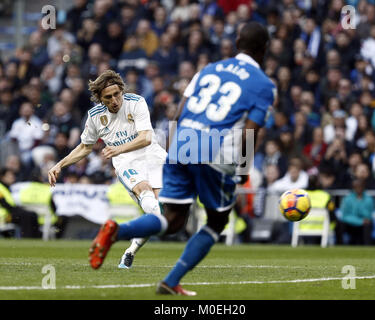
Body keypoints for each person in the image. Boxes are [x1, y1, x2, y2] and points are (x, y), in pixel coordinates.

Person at [88, 22, 275, 296]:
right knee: (216, 222)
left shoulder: (208, 70)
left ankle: (116, 232)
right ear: (265, 49)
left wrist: (175, 152)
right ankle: (171, 279)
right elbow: (250, 130)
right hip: (216, 151)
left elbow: (179, 112)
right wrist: (243, 169)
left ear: (237, 42)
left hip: (182, 144)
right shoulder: (264, 85)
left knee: (173, 219)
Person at [48, 70, 167, 269]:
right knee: (151, 205)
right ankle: (115, 238)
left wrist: (117, 148)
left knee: (162, 215)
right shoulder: (95, 116)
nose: (115, 100)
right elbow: (85, 147)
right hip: (126, 163)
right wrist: (60, 164)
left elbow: (146, 137)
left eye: (117, 94)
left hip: (153, 157)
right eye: (108, 97)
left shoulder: (136, 102)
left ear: (122, 90)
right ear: (99, 99)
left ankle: (129, 251)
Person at [337, 179, 374, 245]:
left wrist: (362, 220)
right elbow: (345, 216)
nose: (358, 188)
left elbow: (368, 216)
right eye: (356, 186)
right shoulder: (347, 199)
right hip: (351, 224)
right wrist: (360, 221)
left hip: (363, 226)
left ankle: (368, 246)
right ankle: (340, 245)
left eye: (360, 186)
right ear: (353, 188)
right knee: (340, 224)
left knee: (368, 224)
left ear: (363, 187)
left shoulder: (369, 199)